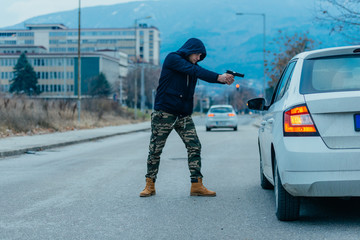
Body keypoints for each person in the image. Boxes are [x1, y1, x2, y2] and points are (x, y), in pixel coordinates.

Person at [140, 38, 235, 197]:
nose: (198, 58)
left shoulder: (193, 67)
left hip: (183, 116)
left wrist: (223, 80)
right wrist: (219, 77)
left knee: (194, 146)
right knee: (155, 150)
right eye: (197, 55)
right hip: (164, 113)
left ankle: (196, 185)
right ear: (190, 50)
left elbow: (198, 71)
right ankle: (149, 185)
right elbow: (195, 71)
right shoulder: (173, 59)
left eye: (201, 56)